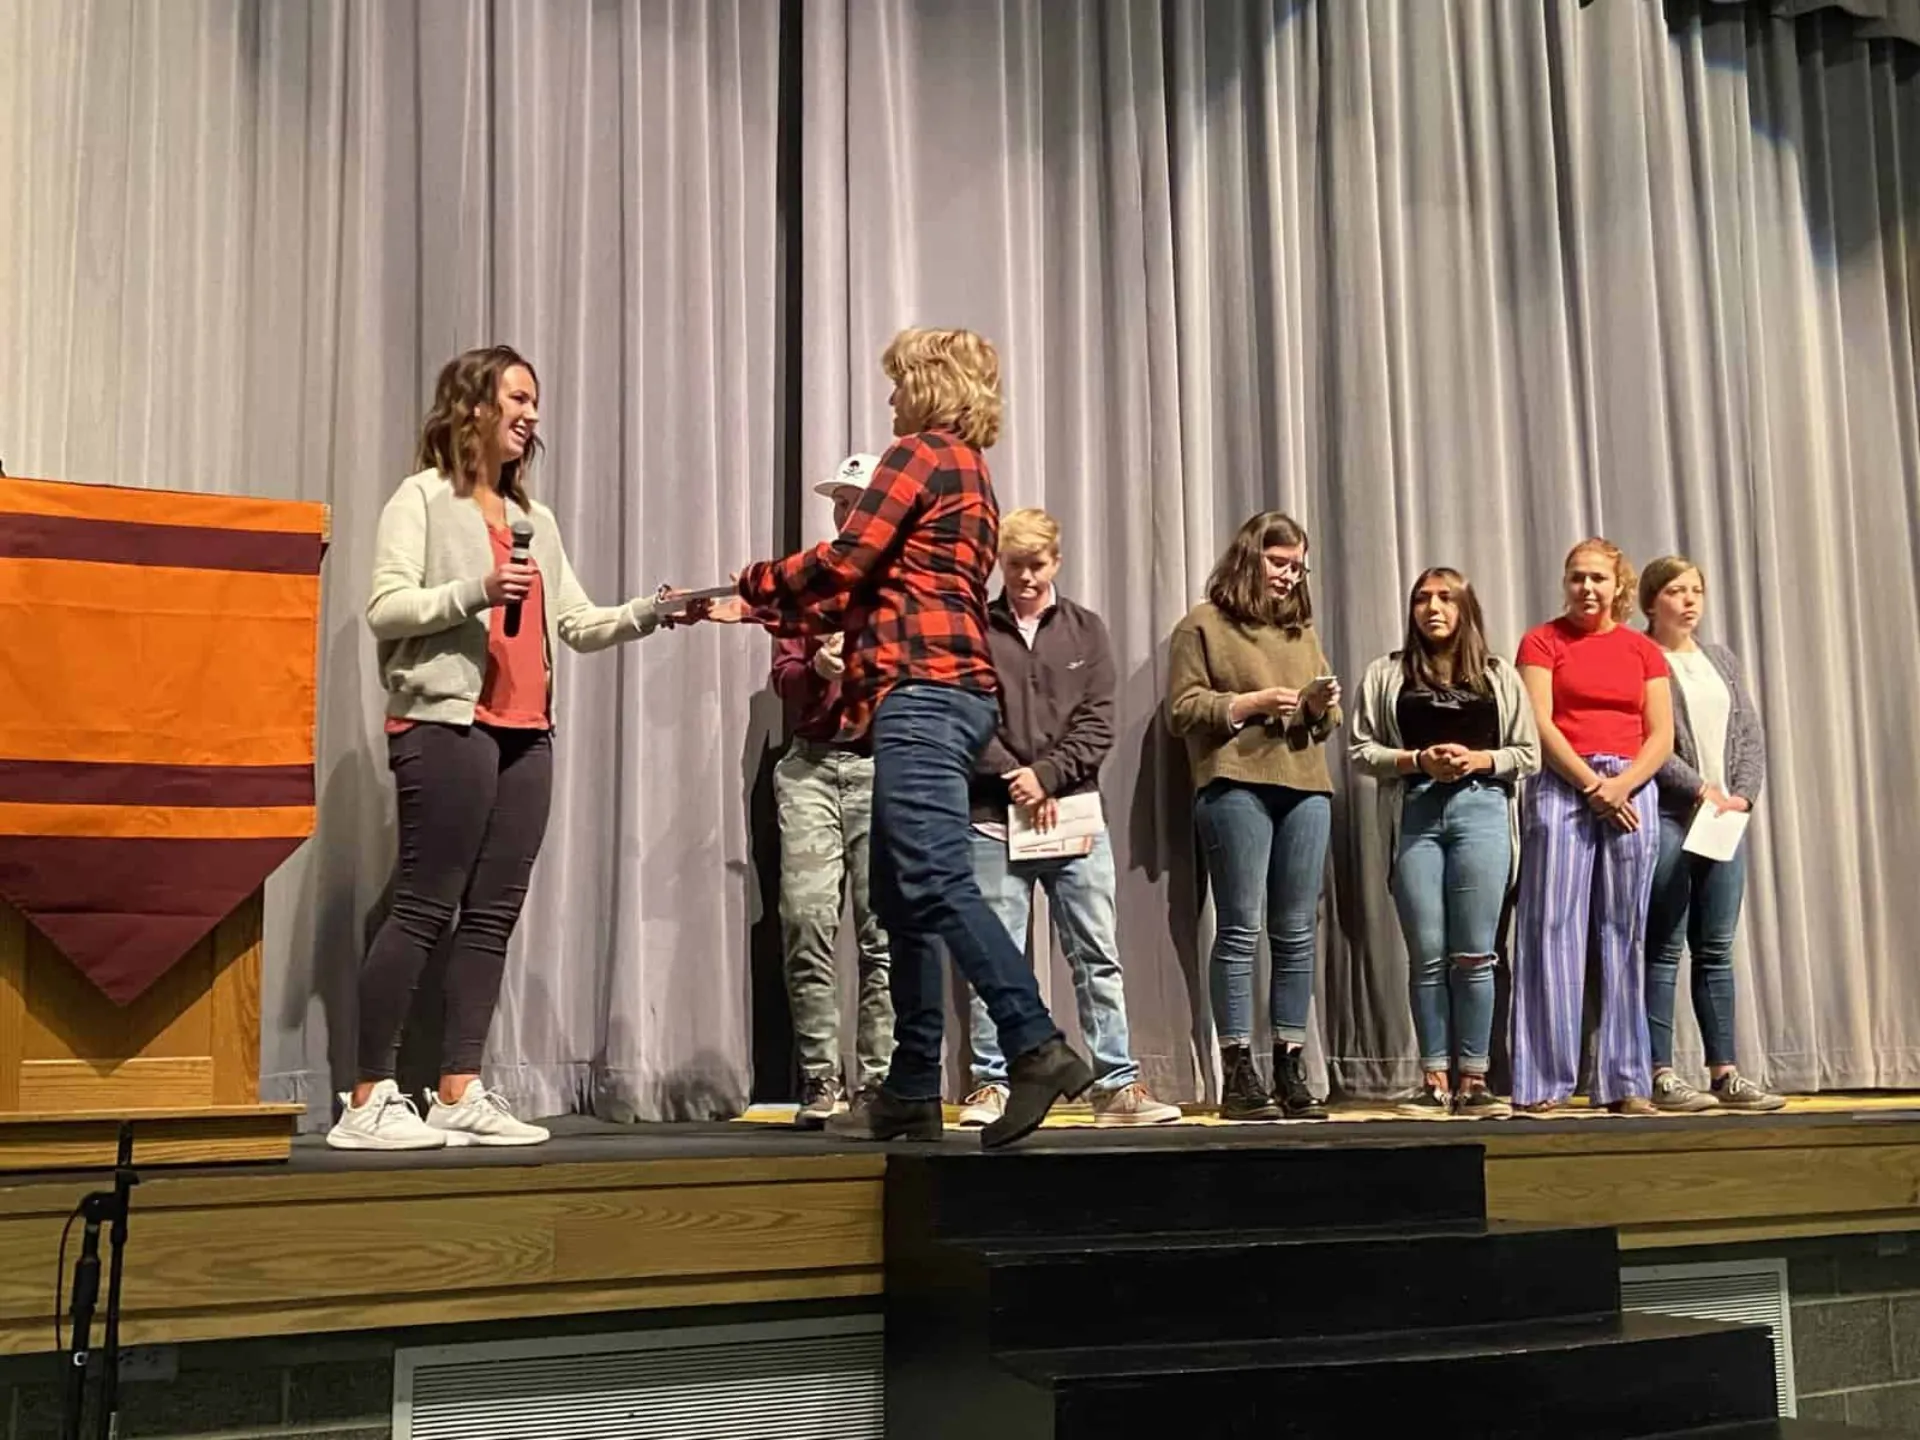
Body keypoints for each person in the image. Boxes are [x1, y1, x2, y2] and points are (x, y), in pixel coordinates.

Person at [716, 327, 1091, 1148]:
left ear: (928, 385)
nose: (889, 401)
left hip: (925, 693)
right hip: (941, 692)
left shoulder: (921, 454)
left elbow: (847, 560)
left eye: (898, 385)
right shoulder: (969, 474)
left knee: (930, 875)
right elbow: (870, 591)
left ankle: (1036, 1043)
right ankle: (913, 1089)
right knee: (900, 894)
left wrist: (754, 579)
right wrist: (754, 606)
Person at [330, 345, 678, 1151]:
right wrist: (475, 592)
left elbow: (577, 623)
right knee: (424, 906)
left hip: (526, 735)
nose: (531, 415)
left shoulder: (534, 521)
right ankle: (367, 1096)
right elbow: (386, 609)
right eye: (518, 398)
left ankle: (457, 1089)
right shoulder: (418, 499)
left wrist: (657, 611)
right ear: (474, 406)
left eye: (536, 404)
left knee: (491, 917)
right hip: (446, 725)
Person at [957, 508, 1180, 1129]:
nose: (1025, 577)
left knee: (1095, 952)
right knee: (994, 955)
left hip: (1073, 812)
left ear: (1056, 561)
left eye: (1036, 565)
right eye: (1014, 565)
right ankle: (992, 1082)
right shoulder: (975, 626)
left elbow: (1099, 720)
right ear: (999, 564)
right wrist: (1013, 777)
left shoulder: (1086, 629)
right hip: (993, 817)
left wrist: (1047, 776)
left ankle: (1116, 1084)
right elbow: (968, 712)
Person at [1167, 512, 1341, 1121]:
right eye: (1279, 563)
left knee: (1296, 932)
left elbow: (1324, 722)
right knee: (1240, 928)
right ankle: (1238, 1067)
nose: (1289, 576)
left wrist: (1319, 705)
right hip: (1234, 782)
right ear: (1250, 556)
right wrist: (1252, 703)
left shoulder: (1300, 631)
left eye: (1297, 567)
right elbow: (1183, 710)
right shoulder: (1203, 625)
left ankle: (1289, 1061)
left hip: (1305, 785)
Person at [1350, 568, 1540, 1119]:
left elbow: (1528, 754)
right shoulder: (1388, 674)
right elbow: (1361, 750)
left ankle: (1474, 1079)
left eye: (1445, 598)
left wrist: (1481, 759)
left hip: (1481, 808)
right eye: (1422, 599)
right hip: (1415, 812)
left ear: (1464, 609)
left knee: (1476, 954)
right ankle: (1435, 1078)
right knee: (1427, 954)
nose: (1433, 608)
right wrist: (1415, 760)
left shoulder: (1498, 675)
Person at [1511, 538, 1674, 1117]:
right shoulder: (1541, 641)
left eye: (1598, 579)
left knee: (1622, 934)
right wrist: (1590, 787)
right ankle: (1543, 1083)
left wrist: (1622, 786)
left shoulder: (1641, 650)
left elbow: (1661, 735)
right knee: (1551, 932)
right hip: (1564, 785)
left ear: (1618, 587)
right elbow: (1540, 722)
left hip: (1630, 788)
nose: (1587, 589)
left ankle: (1625, 1080)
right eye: (1577, 577)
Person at [771, 455, 894, 1128]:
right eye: (840, 503)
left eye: (858, 502)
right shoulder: (806, 586)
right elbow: (783, 681)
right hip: (812, 766)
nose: (846, 514)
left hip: (881, 769)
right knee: (807, 920)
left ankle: (877, 1083)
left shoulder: (900, 587)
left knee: (883, 934)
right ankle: (822, 1079)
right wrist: (818, 671)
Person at [1639, 555, 1783, 1112]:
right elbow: (1649, 740)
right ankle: (1661, 1072)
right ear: (1652, 601)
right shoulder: (1641, 656)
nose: (1689, 600)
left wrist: (1741, 796)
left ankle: (1725, 1072)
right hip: (1675, 815)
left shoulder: (1720, 658)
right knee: (1664, 947)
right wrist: (1700, 788)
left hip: (1725, 820)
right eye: (1676, 591)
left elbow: (1748, 733)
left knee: (1717, 949)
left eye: (1696, 590)